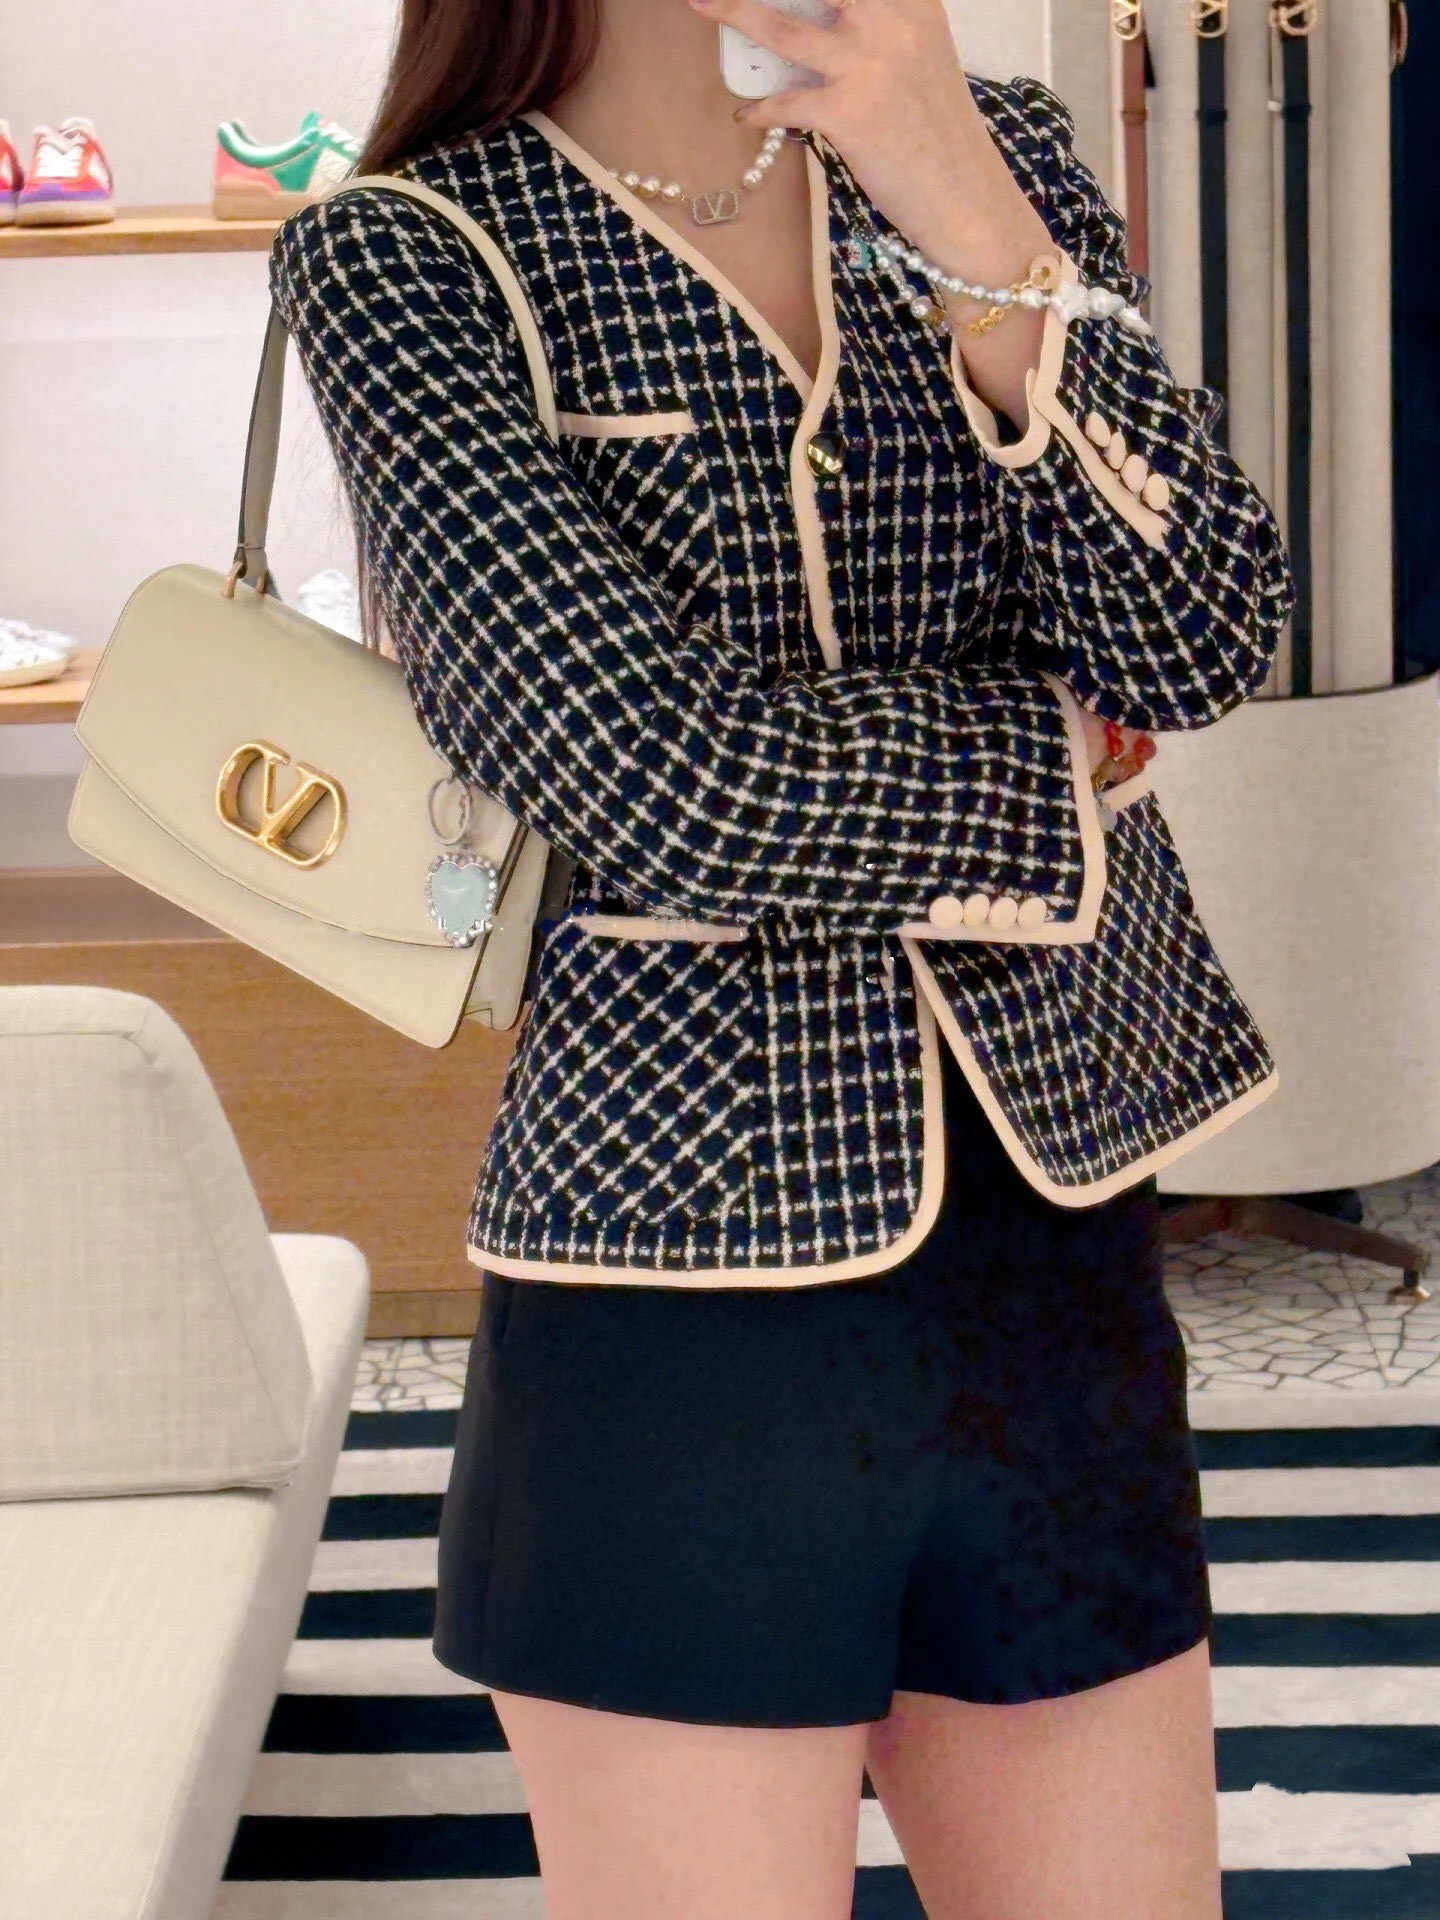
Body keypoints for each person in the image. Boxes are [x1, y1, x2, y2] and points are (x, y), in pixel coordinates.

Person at [269, 0, 1294, 1908]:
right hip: (674, 1306)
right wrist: (1052, 755)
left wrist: (963, 204)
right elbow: (657, 775)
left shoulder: (999, 159)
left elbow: (1199, 632)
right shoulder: (402, 255)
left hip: (1051, 1270)